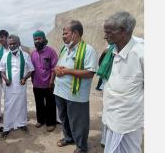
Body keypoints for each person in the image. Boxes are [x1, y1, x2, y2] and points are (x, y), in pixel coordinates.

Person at [99, 11, 144, 153]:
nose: (105, 36)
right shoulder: (111, 51)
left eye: (109, 32)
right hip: (111, 116)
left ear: (123, 31)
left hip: (128, 122)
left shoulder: (142, 53)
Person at [54, 20, 98, 153]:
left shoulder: (88, 50)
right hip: (60, 92)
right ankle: (68, 138)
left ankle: (81, 146)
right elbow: (59, 65)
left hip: (76, 95)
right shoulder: (64, 48)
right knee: (64, 118)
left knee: (78, 122)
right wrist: (56, 69)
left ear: (75, 33)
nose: (63, 36)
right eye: (63, 33)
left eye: (65, 33)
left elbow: (90, 73)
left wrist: (67, 71)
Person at [0, 34, 34, 139]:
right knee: (8, 106)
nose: (12, 46)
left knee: (21, 105)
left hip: (21, 86)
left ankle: (22, 124)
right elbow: (1, 71)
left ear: (18, 44)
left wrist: (25, 78)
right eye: (10, 44)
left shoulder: (25, 55)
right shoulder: (5, 56)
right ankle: (7, 127)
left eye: (14, 43)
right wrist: (5, 79)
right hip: (9, 87)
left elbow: (31, 70)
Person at [31, 30, 58, 132]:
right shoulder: (33, 53)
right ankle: (40, 120)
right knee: (39, 103)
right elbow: (31, 69)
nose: (37, 41)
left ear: (44, 39)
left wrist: (51, 81)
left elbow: (54, 67)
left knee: (50, 104)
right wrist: (32, 80)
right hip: (36, 84)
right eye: (35, 39)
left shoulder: (51, 51)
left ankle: (51, 123)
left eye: (39, 38)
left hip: (48, 83)